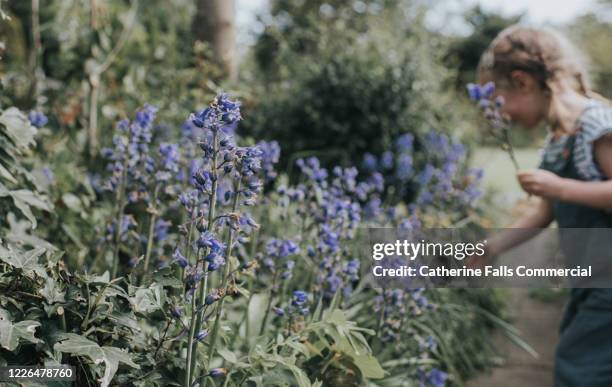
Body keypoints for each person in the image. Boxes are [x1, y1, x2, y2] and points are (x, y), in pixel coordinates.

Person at [466, 25, 612, 386]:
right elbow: (543, 213)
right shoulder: (557, 141)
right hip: (591, 281)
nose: (499, 114)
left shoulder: (594, 125)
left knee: (579, 371)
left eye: (497, 99)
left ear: (522, 81)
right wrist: (492, 248)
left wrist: (561, 187)